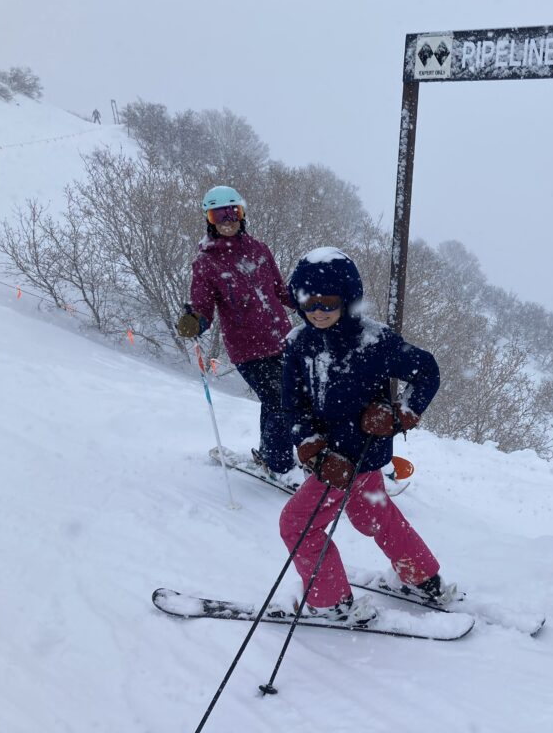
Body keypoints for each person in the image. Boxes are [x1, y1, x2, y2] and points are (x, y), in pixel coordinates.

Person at [278, 247, 454, 624]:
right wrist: (312, 448)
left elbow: (427, 372)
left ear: (347, 299)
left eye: (329, 301)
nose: (318, 310)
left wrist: (399, 413)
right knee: (372, 515)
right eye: (309, 300)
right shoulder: (298, 344)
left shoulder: (375, 342)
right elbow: (292, 405)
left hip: (360, 456)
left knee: (295, 524)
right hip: (333, 464)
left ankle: (330, 603)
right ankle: (422, 577)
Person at [176, 185, 296, 478]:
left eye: (233, 212)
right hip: (248, 348)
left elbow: (282, 292)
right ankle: (280, 467)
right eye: (220, 214)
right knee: (281, 402)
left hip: (282, 339)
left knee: (283, 399)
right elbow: (204, 307)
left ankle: (270, 454)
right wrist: (196, 320)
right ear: (210, 219)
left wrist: (315, 299)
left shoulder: (259, 249)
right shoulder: (206, 261)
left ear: (242, 215)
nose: (228, 219)